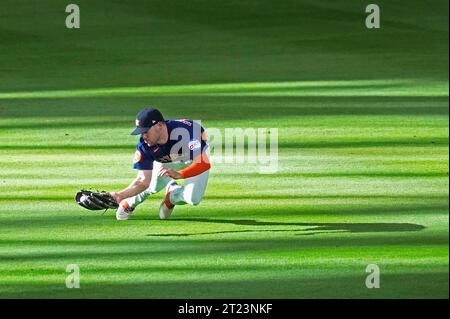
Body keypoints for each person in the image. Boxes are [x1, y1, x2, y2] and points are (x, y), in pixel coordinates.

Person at [110, 108, 211, 220]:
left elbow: (203, 164)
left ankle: (172, 195)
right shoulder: (144, 145)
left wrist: (180, 174)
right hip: (167, 162)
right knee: (152, 187)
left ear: (159, 125)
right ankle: (129, 203)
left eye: (146, 131)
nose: (144, 136)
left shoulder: (187, 132)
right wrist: (120, 195)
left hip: (195, 159)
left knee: (194, 199)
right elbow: (143, 181)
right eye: (141, 132)